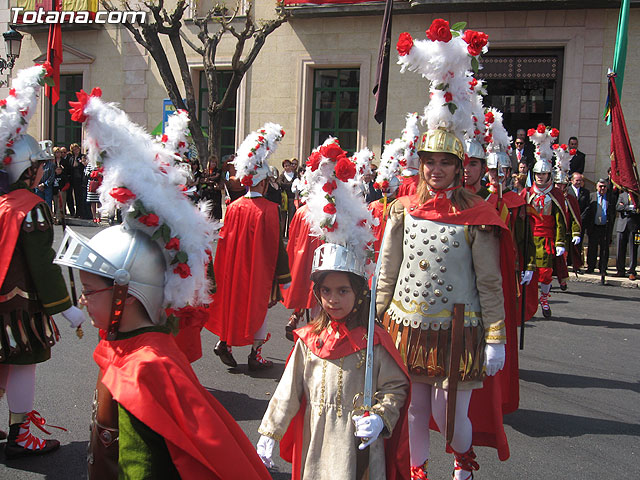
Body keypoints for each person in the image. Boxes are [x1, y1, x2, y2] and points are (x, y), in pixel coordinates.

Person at [54, 86, 270, 479]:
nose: (84, 303)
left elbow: (144, 467)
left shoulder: (148, 367)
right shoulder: (125, 346)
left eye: (89, 292)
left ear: (127, 289)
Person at [384, 25, 518, 479]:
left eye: (446, 163)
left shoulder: (478, 215)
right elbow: (387, 272)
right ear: (419, 165)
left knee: (450, 412)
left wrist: (496, 335)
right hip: (407, 325)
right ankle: (419, 469)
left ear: (461, 168)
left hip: (459, 330)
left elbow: (489, 282)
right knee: (417, 410)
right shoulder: (402, 209)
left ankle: (463, 458)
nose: (436, 170)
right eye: (430, 162)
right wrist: (375, 321)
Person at [256, 143, 410, 479]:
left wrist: (381, 416)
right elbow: (289, 389)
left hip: (358, 448)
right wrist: (270, 431)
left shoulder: (374, 340)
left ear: (358, 292)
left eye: (343, 291)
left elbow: (395, 387)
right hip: (317, 443)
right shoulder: (309, 339)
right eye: (325, 291)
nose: (333, 300)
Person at [0, 64, 85, 457]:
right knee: (24, 362)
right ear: (26, 169)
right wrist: (67, 310)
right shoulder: (30, 207)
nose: (40, 174)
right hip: (18, 304)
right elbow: (44, 265)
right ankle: (20, 434)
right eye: (37, 167)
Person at [207, 123, 291, 370]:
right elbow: (275, 246)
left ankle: (224, 342)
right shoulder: (269, 209)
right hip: (257, 269)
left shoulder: (233, 207)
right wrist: (283, 276)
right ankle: (256, 353)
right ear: (263, 183)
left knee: (232, 304)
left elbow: (224, 242)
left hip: (233, 268)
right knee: (259, 307)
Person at [584, 179, 616, 274]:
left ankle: (602, 268)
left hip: (605, 227)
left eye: (604, 186)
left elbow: (613, 214)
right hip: (593, 227)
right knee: (592, 248)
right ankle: (591, 267)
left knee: (604, 249)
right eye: (600, 186)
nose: (602, 188)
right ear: (596, 187)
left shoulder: (611, 198)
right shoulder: (591, 196)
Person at [615, 192, 640, 280]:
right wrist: (629, 207)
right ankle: (620, 270)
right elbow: (618, 207)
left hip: (634, 226)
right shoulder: (622, 195)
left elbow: (637, 209)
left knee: (633, 249)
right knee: (620, 249)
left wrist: (625, 207)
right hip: (622, 226)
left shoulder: (637, 195)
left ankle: (632, 271)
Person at [278, 158, 298, 238]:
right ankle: (282, 235)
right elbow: (280, 183)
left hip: (292, 198)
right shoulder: (282, 175)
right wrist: (290, 185)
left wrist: (286, 185)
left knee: (291, 217)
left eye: (288, 165)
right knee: (283, 217)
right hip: (284, 199)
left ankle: (289, 235)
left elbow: (297, 184)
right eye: (285, 166)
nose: (287, 167)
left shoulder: (295, 175)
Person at [68, 142, 88, 219]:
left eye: (77, 149)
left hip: (80, 178)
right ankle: (74, 212)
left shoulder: (82, 156)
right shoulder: (71, 157)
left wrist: (82, 162)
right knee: (73, 196)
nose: (76, 150)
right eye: (74, 149)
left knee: (80, 196)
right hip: (73, 179)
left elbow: (84, 165)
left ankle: (81, 212)